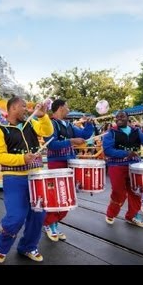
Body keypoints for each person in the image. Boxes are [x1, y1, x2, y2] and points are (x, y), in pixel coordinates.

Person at [0, 97, 53, 263]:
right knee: (16, 216)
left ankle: (28, 246)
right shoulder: (0, 131)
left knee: (38, 215)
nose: (27, 109)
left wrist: (42, 116)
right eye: (23, 106)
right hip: (13, 179)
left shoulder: (31, 124)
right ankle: (2, 245)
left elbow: (48, 132)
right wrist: (22, 159)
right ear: (12, 108)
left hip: (36, 177)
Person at [42, 99, 94, 241]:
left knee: (67, 196)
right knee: (57, 196)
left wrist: (89, 124)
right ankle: (48, 223)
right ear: (60, 107)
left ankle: (54, 222)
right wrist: (71, 141)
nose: (69, 108)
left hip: (69, 162)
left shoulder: (69, 125)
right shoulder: (50, 124)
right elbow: (51, 145)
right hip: (56, 162)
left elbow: (84, 135)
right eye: (67, 106)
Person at [103, 110, 143, 228]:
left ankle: (133, 216)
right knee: (118, 192)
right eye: (117, 117)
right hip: (116, 166)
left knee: (136, 192)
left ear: (128, 118)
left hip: (134, 166)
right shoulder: (111, 133)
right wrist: (126, 153)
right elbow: (108, 150)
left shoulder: (136, 131)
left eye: (122, 116)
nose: (119, 119)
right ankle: (111, 213)